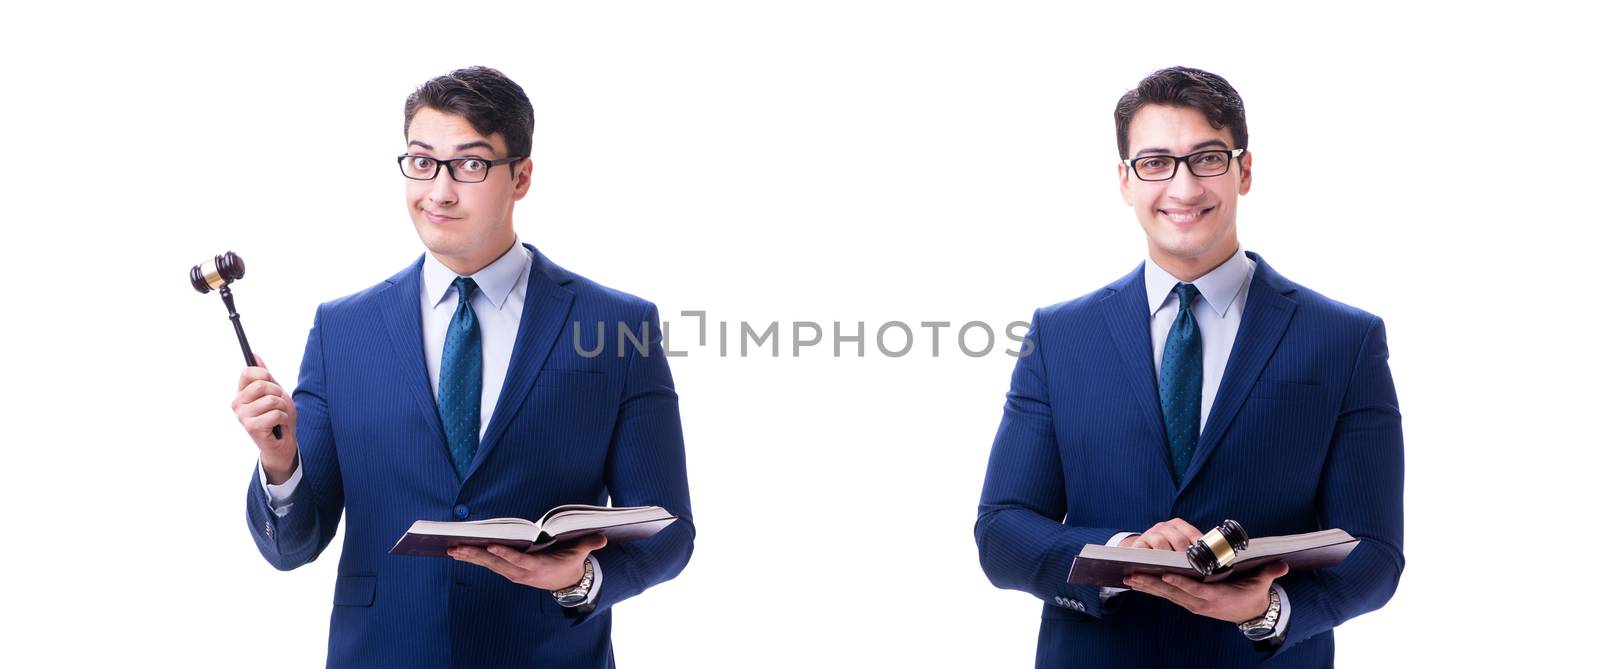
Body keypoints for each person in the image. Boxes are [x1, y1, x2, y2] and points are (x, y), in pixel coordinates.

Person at [231, 66, 694, 668]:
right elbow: (291, 548)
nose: (439, 191)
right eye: (422, 162)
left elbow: (670, 531)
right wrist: (279, 461)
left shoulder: (617, 326)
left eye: (469, 164)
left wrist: (578, 579)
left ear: (520, 176)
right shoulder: (343, 330)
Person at [974, 66, 1403, 667]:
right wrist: (1120, 555)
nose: (1182, 187)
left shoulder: (1344, 338)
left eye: (1206, 158)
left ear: (1243, 171)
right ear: (1125, 180)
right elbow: (1002, 532)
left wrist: (1267, 607)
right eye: (1155, 163)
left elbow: (1376, 552)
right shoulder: (1059, 336)